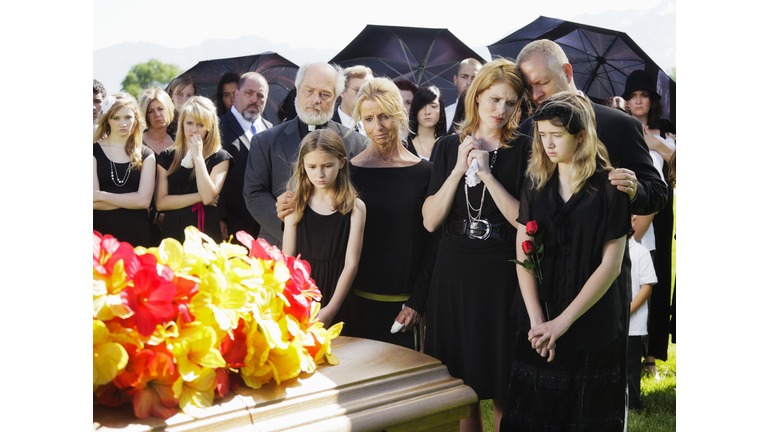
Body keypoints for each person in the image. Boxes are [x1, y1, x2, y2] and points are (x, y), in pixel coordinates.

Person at [516, 40, 668, 407]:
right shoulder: (528, 130)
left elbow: (657, 192)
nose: (535, 95)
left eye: (542, 83)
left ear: (567, 73)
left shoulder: (617, 124)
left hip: (599, 284)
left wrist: (635, 188)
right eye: (529, 88)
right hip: (545, 280)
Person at [501, 92, 632, 431]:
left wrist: (561, 324)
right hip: (537, 321)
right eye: (542, 136)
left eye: (557, 136)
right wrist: (537, 321)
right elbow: (523, 248)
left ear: (582, 136)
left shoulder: (610, 187)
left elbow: (611, 265)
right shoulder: (535, 183)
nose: (548, 144)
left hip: (591, 323)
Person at [422, 58, 526, 432]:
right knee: (461, 382)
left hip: (501, 270)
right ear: (476, 96)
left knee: (503, 381)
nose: (501, 110)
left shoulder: (525, 148)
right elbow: (431, 219)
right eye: (495, 100)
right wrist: (457, 170)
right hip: (454, 270)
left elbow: (522, 221)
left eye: (511, 103)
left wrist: (485, 174)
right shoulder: (448, 145)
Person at [348, 77, 435, 349]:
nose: (378, 127)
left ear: (400, 115)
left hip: (406, 309)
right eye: (369, 119)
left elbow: (434, 243)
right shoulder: (348, 172)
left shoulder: (425, 172)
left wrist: (418, 302)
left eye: (384, 116)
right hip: (355, 305)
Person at [243, 62, 369, 247]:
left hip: (334, 250)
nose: (315, 99)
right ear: (297, 89)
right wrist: (290, 226)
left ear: (336, 98)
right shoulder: (265, 142)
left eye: (324, 94)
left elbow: (361, 196)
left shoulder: (357, 144)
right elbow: (254, 193)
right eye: (308, 91)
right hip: (278, 246)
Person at [282, 129, 366, 333]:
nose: (319, 174)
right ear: (303, 166)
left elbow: (351, 264)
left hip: (339, 296)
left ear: (342, 163)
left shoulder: (355, 208)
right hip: (303, 295)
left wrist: (331, 309)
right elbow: (287, 260)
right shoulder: (295, 205)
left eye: (327, 166)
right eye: (312, 166)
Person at [622, 69, 676, 378]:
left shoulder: (666, 131)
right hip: (627, 213)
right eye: (633, 96)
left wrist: (656, 144)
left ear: (651, 100)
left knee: (653, 283)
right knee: (627, 283)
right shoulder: (620, 126)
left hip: (657, 217)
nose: (638, 101)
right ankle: (628, 351)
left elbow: (676, 168)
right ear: (626, 102)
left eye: (644, 95)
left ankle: (650, 357)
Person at [155, 96, 231, 243]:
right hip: (173, 229)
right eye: (189, 123)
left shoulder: (220, 157)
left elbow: (209, 197)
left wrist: (197, 156)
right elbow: (160, 203)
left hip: (204, 231)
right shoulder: (167, 156)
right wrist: (199, 197)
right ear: (182, 123)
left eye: (200, 125)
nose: (194, 130)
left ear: (209, 127)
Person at [93, 93, 155, 247]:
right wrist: (132, 200)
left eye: (128, 117)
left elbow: (144, 201)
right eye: (116, 118)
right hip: (100, 236)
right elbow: (92, 203)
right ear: (107, 119)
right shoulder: (92, 151)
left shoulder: (147, 154)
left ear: (135, 118)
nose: (123, 123)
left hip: (137, 235)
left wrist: (100, 195)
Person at [219, 72, 273, 242]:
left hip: (267, 227)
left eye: (260, 95)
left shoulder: (271, 129)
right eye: (249, 93)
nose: (254, 99)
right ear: (236, 94)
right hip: (231, 225)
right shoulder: (217, 127)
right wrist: (219, 217)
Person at [627, 216, 657, 411]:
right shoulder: (603, 250)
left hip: (632, 326)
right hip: (610, 324)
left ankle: (633, 405)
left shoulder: (641, 252)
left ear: (633, 220)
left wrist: (626, 311)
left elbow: (646, 287)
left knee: (630, 369)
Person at [406, 86, 447, 160]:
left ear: (441, 109)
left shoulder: (448, 144)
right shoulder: (403, 146)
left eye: (433, 106)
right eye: (422, 107)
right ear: (415, 109)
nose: (427, 112)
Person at [332, 65, 373, 134]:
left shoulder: (378, 127)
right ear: (342, 92)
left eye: (370, 91)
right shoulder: (325, 129)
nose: (365, 95)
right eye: (358, 90)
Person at [444, 58, 482, 130]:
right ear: (455, 79)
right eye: (464, 77)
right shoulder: (444, 114)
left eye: (474, 78)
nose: (469, 82)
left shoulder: (487, 115)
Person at [138, 87, 176, 154]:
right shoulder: (137, 143)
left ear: (168, 109)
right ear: (146, 115)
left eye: (160, 109)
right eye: (151, 111)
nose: (157, 114)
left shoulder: (178, 142)